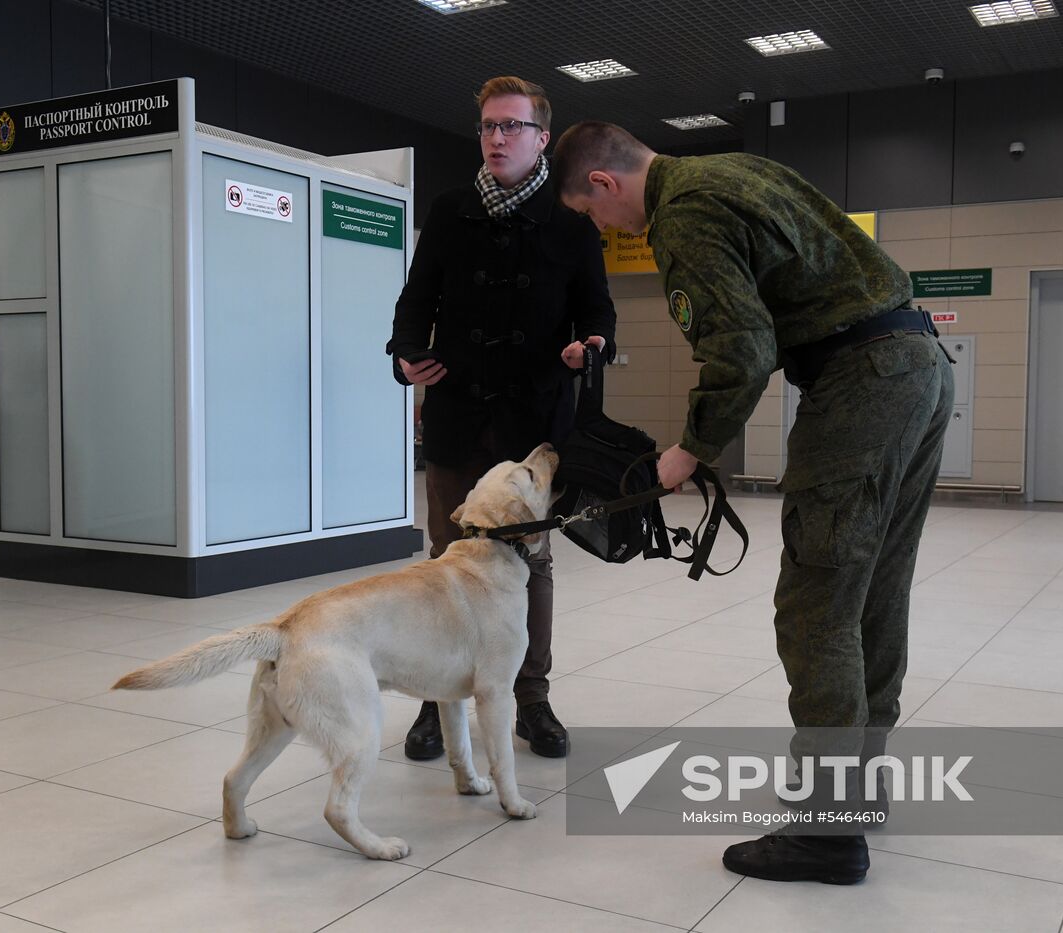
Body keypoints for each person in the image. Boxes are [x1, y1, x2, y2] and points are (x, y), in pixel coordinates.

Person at [552, 122, 954, 884]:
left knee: (817, 604)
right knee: (872, 592)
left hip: (862, 382)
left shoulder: (684, 215)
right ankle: (856, 791)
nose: (599, 232)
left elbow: (741, 347)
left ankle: (827, 832)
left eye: (590, 214)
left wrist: (687, 450)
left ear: (605, 184)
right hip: (918, 364)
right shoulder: (729, 169)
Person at [387, 78, 616, 761]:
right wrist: (404, 356)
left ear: (542, 137)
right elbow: (414, 300)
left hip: (533, 423)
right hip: (457, 415)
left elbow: (598, 311)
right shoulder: (451, 210)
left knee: (532, 562)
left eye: (511, 127)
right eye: (488, 126)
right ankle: (436, 699)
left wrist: (592, 345)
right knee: (444, 559)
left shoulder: (573, 225)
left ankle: (531, 697)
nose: (495, 138)